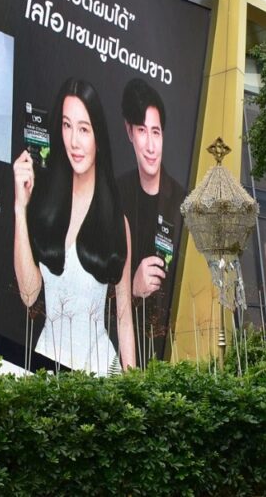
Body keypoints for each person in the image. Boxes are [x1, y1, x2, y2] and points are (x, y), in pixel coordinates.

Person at [13, 78, 136, 373]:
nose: (74, 142)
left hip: (100, 374)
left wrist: (135, 390)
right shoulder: (44, 206)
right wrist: (20, 208)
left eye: (84, 129)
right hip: (47, 367)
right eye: (67, 126)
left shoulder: (117, 222)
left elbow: (123, 318)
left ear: (98, 137)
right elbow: (29, 296)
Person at [115, 78, 185, 366]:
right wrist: (131, 288)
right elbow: (92, 285)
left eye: (156, 132)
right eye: (142, 131)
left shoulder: (182, 204)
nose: (151, 145)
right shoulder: (115, 195)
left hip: (169, 354)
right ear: (129, 131)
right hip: (117, 354)